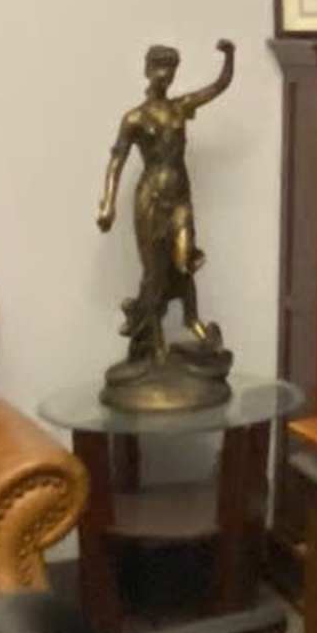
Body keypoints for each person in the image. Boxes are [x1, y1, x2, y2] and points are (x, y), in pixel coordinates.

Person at [97, 39, 236, 384]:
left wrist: (229, 57)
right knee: (154, 273)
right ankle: (150, 343)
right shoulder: (134, 118)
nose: (164, 73)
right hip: (150, 199)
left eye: (170, 68)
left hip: (179, 196)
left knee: (184, 258)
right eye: (158, 66)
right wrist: (107, 203)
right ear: (147, 70)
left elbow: (218, 87)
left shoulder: (180, 108)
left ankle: (192, 320)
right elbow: (117, 160)